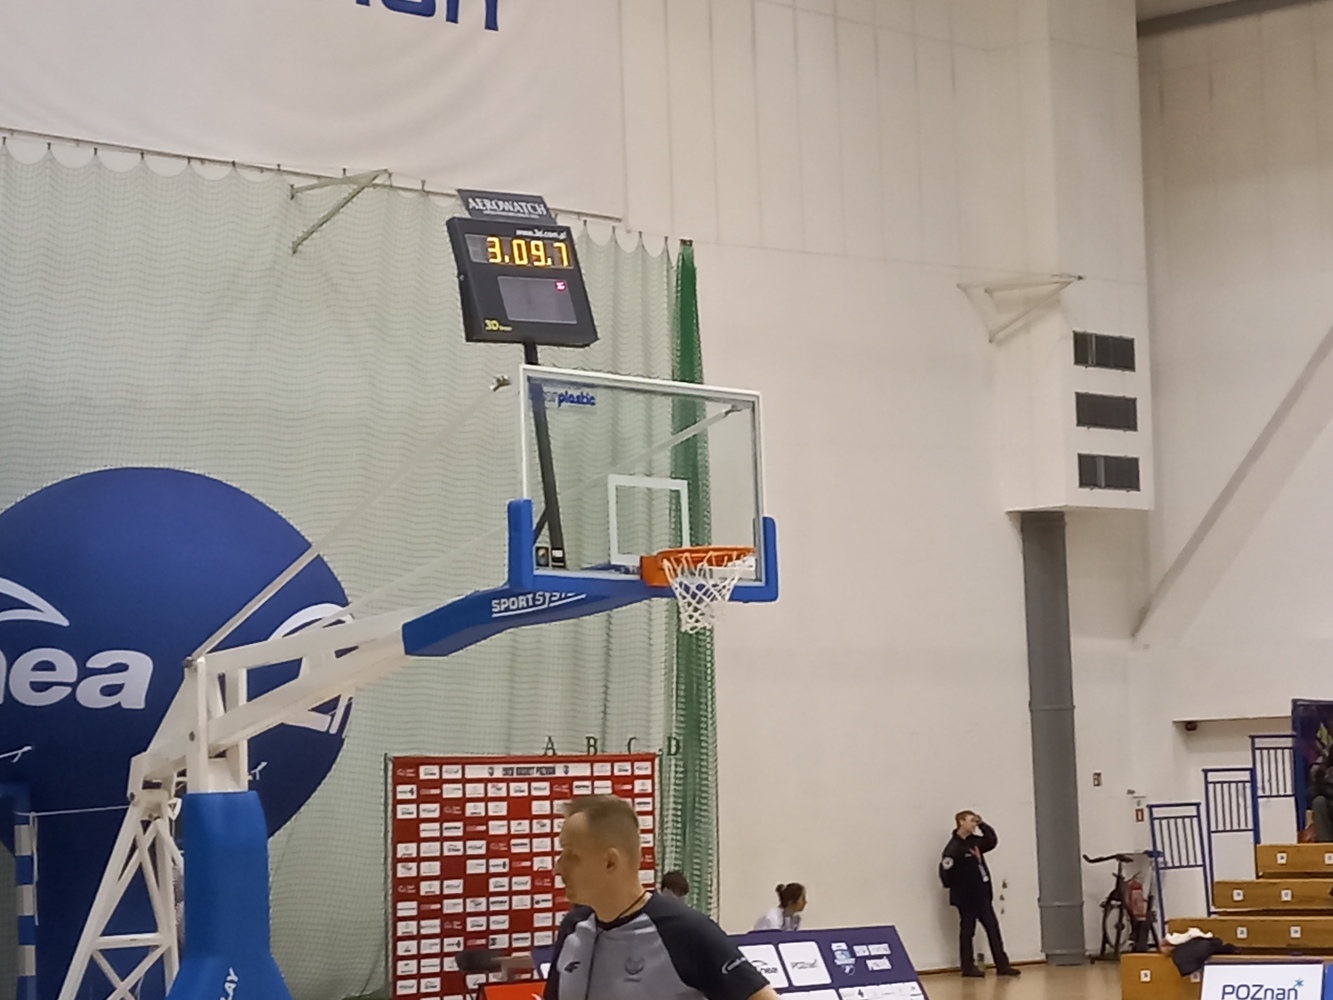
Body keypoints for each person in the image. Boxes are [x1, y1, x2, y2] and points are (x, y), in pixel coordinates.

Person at [548, 795, 780, 1000]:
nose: (557, 868)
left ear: (610, 862)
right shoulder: (573, 927)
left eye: (571, 855)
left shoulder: (686, 932)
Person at [939, 811, 1020, 978]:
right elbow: (946, 872)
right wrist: (960, 889)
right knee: (968, 931)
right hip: (966, 898)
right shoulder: (953, 847)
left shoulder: (974, 842)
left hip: (982, 896)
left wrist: (983, 824)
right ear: (961, 822)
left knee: (993, 929)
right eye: (971, 821)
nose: (974, 824)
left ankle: (1002, 965)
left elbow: (991, 841)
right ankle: (967, 967)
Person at [1310, 748, 1333, 842]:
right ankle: (1326, 845)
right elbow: (1314, 791)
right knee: (1318, 802)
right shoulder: (1325, 772)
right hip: (1330, 801)